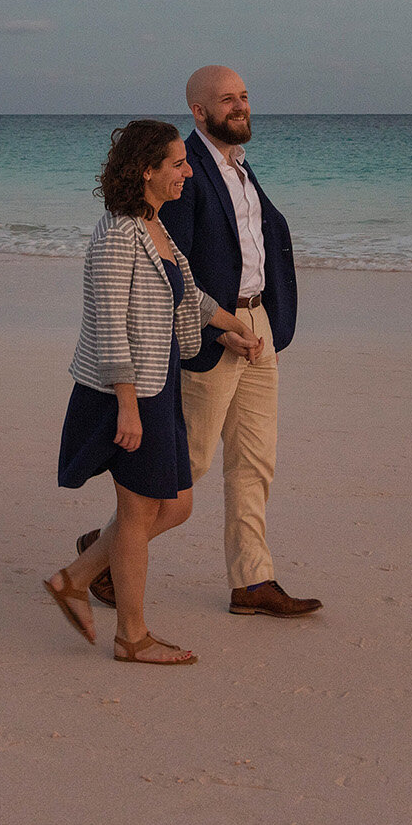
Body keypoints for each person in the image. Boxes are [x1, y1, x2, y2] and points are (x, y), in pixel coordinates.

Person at [78, 66, 320, 619]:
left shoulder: (238, 167)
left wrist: (260, 322)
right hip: (216, 334)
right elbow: (175, 268)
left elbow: (253, 243)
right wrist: (217, 328)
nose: (240, 107)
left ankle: (252, 580)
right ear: (198, 111)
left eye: (244, 97)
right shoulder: (181, 170)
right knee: (188, 463)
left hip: (257, 328)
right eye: (226, 100)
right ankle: (106, 554)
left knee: (256, 461)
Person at [45, 119, 266, 665]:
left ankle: (76, 576)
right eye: (177, 164)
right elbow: (108, 323)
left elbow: (189, 297)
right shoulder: (120, 233)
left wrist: (233, 329)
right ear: (147, 171)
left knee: (177, 505)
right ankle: (132, 636)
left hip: (158, 383)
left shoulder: (155, 227)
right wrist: (126, 403)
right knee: (140, 510)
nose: (188, 171)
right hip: (126, 390)